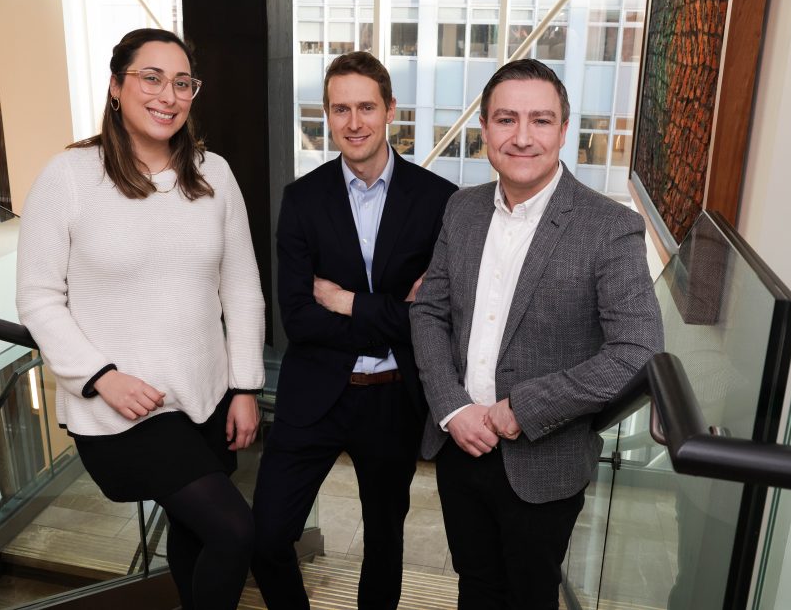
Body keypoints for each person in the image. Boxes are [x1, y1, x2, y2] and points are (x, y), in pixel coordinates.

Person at [16, 28, 264, 610]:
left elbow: (243, 287)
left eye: (182, 83)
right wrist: (101, 376)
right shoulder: (69, 176)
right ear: (115, 87)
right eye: (150, 78)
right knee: (235, 532)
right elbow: (38, 297)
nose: (168, 95)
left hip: (204, 397)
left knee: (195, 531)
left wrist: (246, 386)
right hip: (123, 407)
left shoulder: (214, 173)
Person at [410, 59, 664, 609]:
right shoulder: (462, 209)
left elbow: (638, 349)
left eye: (541, 121)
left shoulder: (609, 226)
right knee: (475, 588)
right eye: (507, 119)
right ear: (485, 129)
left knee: (529, 598)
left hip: (542, 461)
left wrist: (522, 408)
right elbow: (429, 313)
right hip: (460, 446)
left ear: (564, 131)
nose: (522, 137)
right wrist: (453, 407)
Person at [251, 52, 457, 609]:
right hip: (313, 394)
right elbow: (296, 318)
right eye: (340, 109)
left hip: (393, 401)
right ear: (326, 114)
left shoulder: (439, 201)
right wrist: (392, 316)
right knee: (266, 536)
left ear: (391, 110)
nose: (354, 122)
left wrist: (346, 303)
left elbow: (436, 318)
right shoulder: (301, 200)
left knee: (385, 544)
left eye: (367, 106)